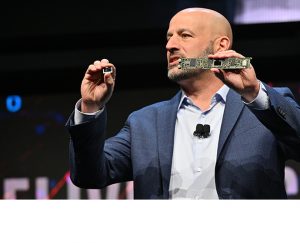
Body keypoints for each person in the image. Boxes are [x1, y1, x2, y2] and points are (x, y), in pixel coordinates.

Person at [66, 7, 300, 199]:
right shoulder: (144, 123)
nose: (170, 46)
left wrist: (255, 93)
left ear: (221, 46)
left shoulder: (264, 105)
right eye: (169, 37)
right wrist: (90, 109)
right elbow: (88, 175)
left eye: (185, 35)